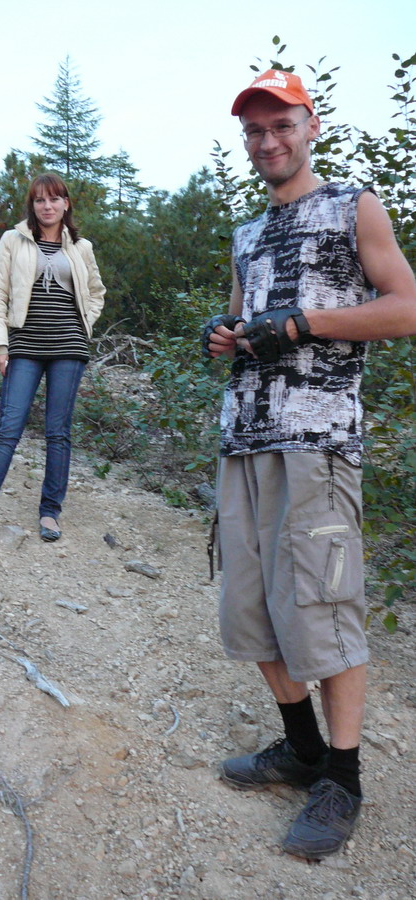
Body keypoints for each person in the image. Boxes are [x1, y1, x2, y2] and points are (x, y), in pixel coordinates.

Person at [202, 69, 416, 859]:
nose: (267, 141)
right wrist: (224, 334)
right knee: (251, 611)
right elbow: (241, 321)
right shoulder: (245, 234)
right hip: (244, 444)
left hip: (317, 446)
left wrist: (303, 324)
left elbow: (405, 307)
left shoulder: (353, 206)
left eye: (280, 125)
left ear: (310, 126)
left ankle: (343, 781)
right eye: (254, 131)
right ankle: (300, 751)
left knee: (323, 612)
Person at [0, 172, 106, 547]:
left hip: (68, 346)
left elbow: (96, 292)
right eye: (40, 200)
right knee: (8, 429)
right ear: (32, 204)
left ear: (66, 204)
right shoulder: (13, 240)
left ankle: (50, 511)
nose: (47, 206)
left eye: (54, 199)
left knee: (58, 432)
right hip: (23, 344)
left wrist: (84, 324)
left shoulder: (81, 247)